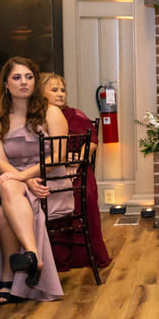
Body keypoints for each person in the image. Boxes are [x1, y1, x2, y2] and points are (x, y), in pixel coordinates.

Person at [0, 57, 68, 304]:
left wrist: (26, 177)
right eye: (16, 77)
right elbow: (0, 161)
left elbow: (58, 157)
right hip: (17, 181)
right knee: (7, 188)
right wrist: (24, 181)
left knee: (5, 205)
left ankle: (7, 277)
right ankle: (31, 253)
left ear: (35, 82)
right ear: (5, 84)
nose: (23, 82)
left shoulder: (51, 113)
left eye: (29, 77)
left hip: (50, 181)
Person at [40, 73, 111, 271]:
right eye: (54, 90)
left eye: (62, 90)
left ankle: (84, 254)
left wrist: (79, 158)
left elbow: (92, 141)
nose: (60, 94)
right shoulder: (34, 118)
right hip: (48, 169)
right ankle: (52, 258)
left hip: (78, 168)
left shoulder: (74, 114)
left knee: (83, 193)